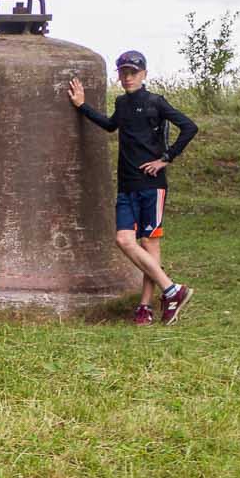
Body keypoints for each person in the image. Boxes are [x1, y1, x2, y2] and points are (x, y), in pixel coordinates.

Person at [67, 50, 198, 325]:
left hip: (152, 185)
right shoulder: (122, 104)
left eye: (133, 72)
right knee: (124, 240)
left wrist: (166, 159)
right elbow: (110, 125)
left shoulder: (155, 102)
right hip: (127, 184)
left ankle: (145, 307)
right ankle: (172, 290)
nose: (127, 77)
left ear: (144, 74)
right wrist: (82, 106)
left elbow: (189, 127)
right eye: (123, 72)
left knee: (149, 243)